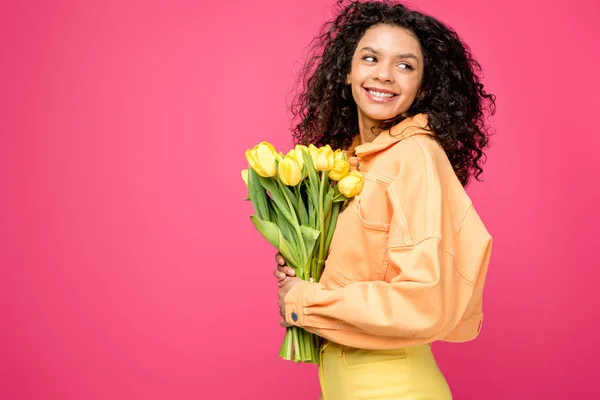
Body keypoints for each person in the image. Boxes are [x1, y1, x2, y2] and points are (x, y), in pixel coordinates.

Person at [273, 1, 495, 398]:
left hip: (392, 386)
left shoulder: (413, 155)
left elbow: (424, 301)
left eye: (405, 66)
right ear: (347, 70)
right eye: (370, 58)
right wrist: (304, 270)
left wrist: (307, 300)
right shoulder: (357, 164)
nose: (384, 75)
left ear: (423, 86)